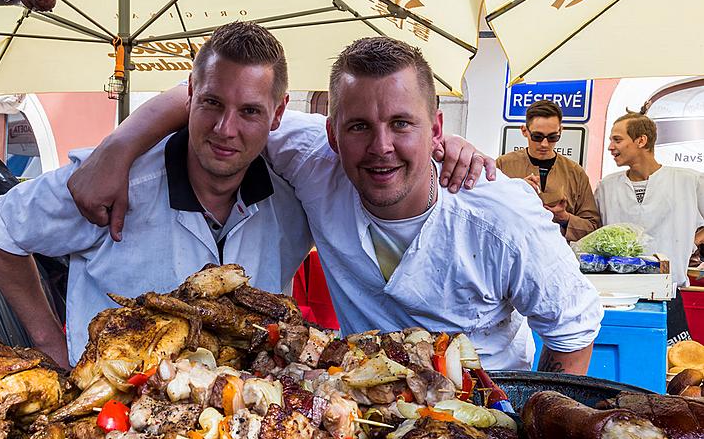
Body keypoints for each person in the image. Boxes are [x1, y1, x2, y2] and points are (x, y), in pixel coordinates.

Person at [72, 36, 602, 374]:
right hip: (368, 410)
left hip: (489, 409)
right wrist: (118, 149)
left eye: (402, 123)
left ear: (437, 128)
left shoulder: (501, 216)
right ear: (330, 131)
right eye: (359, 126)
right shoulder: (313, 158)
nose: (380, 147)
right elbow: (214, 98)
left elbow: (572, 333)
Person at [0, 22, 488, 368]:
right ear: (189, 96)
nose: (225, 129)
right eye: (212, 103)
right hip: (110, 430)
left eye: (250, 112)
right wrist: (47, 341)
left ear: (278, 114)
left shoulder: (296, 191)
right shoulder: (113, 182)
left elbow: (378, 150)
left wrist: (444, 145)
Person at [596, 111, 704, 344]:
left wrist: (694, 240)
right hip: (616, 296)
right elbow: (593, 232)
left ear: (641, 140)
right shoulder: (606, 187)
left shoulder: (689, 180)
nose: (610, 147)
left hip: (668, 295)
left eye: (617, 139)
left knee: (670, 367)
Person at [496, 100, 600, 242]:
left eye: (552, 137)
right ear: (524, 131)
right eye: (537, 137)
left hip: (558, 257)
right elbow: (486, 212)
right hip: (511, 251)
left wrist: (565, 218)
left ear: (561, 131)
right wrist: (515, 190)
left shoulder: (575, 173)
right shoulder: (503, 165)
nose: (544, 144)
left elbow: (593, 227)